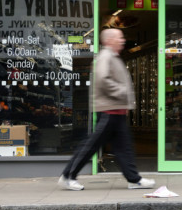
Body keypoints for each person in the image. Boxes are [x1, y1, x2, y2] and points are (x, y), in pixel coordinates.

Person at [58, 28, 155, 191]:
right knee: (91, 145)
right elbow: (103, 79)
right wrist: (121, 92)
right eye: (119, 37)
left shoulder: (114, 57)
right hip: (109, 111)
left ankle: (134, 179)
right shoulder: (105, 56)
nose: (123, 40)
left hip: (116, 111)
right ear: (109, 40)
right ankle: (68, 176)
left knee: (124, 147)